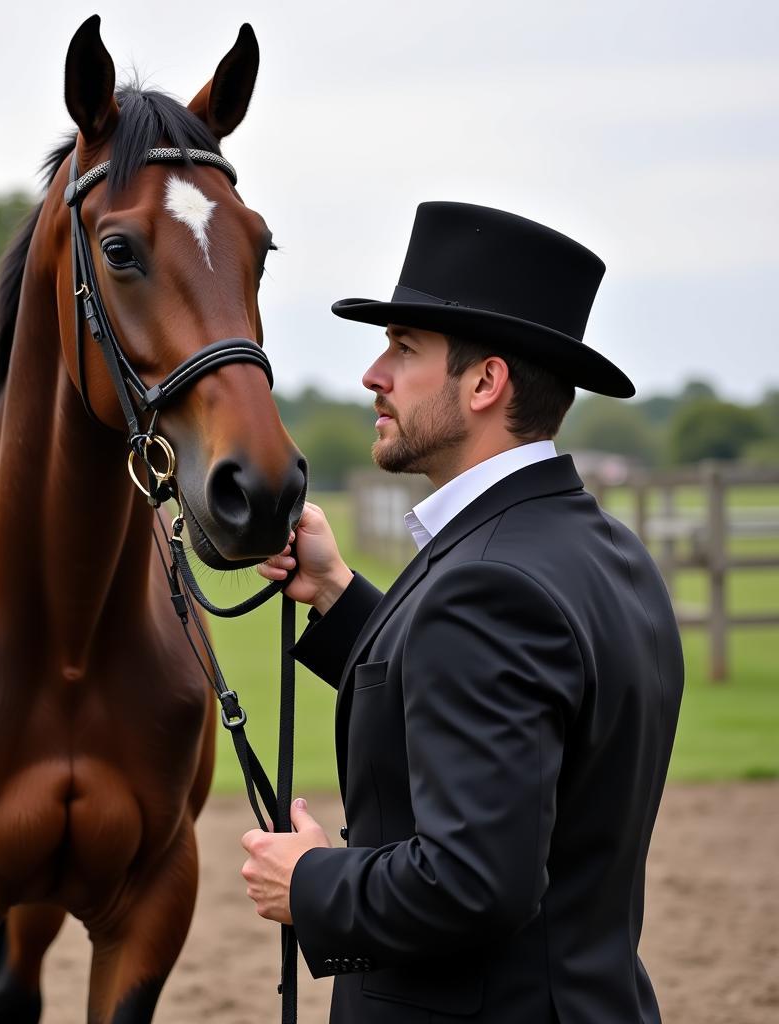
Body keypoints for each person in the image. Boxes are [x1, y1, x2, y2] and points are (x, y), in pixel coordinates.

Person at [240, 202, 684, 1023]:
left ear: (485, 382)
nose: (374, 375)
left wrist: (308, 881)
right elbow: (487, 697)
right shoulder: (602, 554)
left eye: (404, 350)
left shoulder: (488, 586)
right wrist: (338, 596)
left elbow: (473, 882)